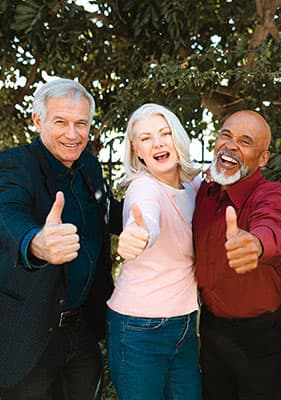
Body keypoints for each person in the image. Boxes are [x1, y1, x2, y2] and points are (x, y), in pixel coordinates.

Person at [0, 78, 122, 399]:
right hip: (29, 335)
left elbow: (111, 214)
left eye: (81, 123)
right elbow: (8, 215)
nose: (72, 134)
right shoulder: (15, 164)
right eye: (61, 122)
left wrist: (169, 198)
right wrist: (37, 243)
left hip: (82, 331)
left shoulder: (89, 166)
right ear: (38, 120)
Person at [192, 110, 281, 400]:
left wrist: (257, 244)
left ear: (263, 158)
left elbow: (275, 225)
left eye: (245, 141)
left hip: (260, 337)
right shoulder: (204, 193)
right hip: (212, 329)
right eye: (226, 135)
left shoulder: (270, 193)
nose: (231, 145)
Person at [106, 103, 203, 399]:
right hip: (139, 328)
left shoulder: (194, 187)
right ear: (137, 150)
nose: (158, 143)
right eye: (146, 138)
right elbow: (146, 217)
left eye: (164, 133)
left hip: (184, 325)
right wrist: (139, 234)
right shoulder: (143, 187)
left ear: (177, 139)